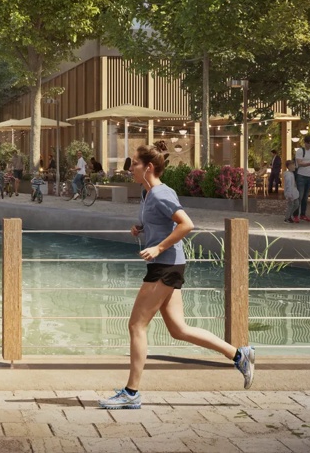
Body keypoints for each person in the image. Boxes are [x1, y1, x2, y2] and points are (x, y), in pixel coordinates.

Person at [98, 144, 255, 410]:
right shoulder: (149, 194)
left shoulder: (160, 194)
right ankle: (239, 354)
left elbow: (186, 224)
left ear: (148, 167)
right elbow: (162, 223)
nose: (130, 168)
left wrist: (159, 247)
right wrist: (141, 229)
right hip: (169, 264)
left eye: (134, 163)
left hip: (166, 265)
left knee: (136, 326)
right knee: (179, 329)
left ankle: (131, 392)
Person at [294, 136, 310, 221]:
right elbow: (299, 163)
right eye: (309, 143)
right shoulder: (300, 151)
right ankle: (296, 214)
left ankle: (303, 214)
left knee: (305, 197)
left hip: (309, 176)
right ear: (305, 143)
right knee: (300, 196)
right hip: (301, 175)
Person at [283, 159, 300, 223]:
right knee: (291, 205)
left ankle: (289, 216)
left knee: (296, 204)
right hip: (291, 193)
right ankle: (287, 217)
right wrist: (289, 194)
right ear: (289, 166)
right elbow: (288, 186)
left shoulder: (291, 174)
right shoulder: (288, 175)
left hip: (294, 193)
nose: (294, 166)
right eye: (293, 165)